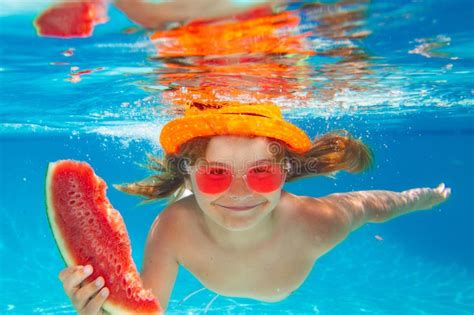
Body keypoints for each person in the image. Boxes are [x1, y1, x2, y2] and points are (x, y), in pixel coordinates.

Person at [58, 103, 451, 314]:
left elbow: (370, 206)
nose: (241, 191)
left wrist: (420, 198)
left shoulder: (316, 222)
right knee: (189, 206)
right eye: (215, 172)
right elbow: (147, 311)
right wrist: (95, 312)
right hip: (196, 210)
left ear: (285, 172)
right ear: (191, 175)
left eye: (261, 172)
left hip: (240, 217)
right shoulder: (174, 227)